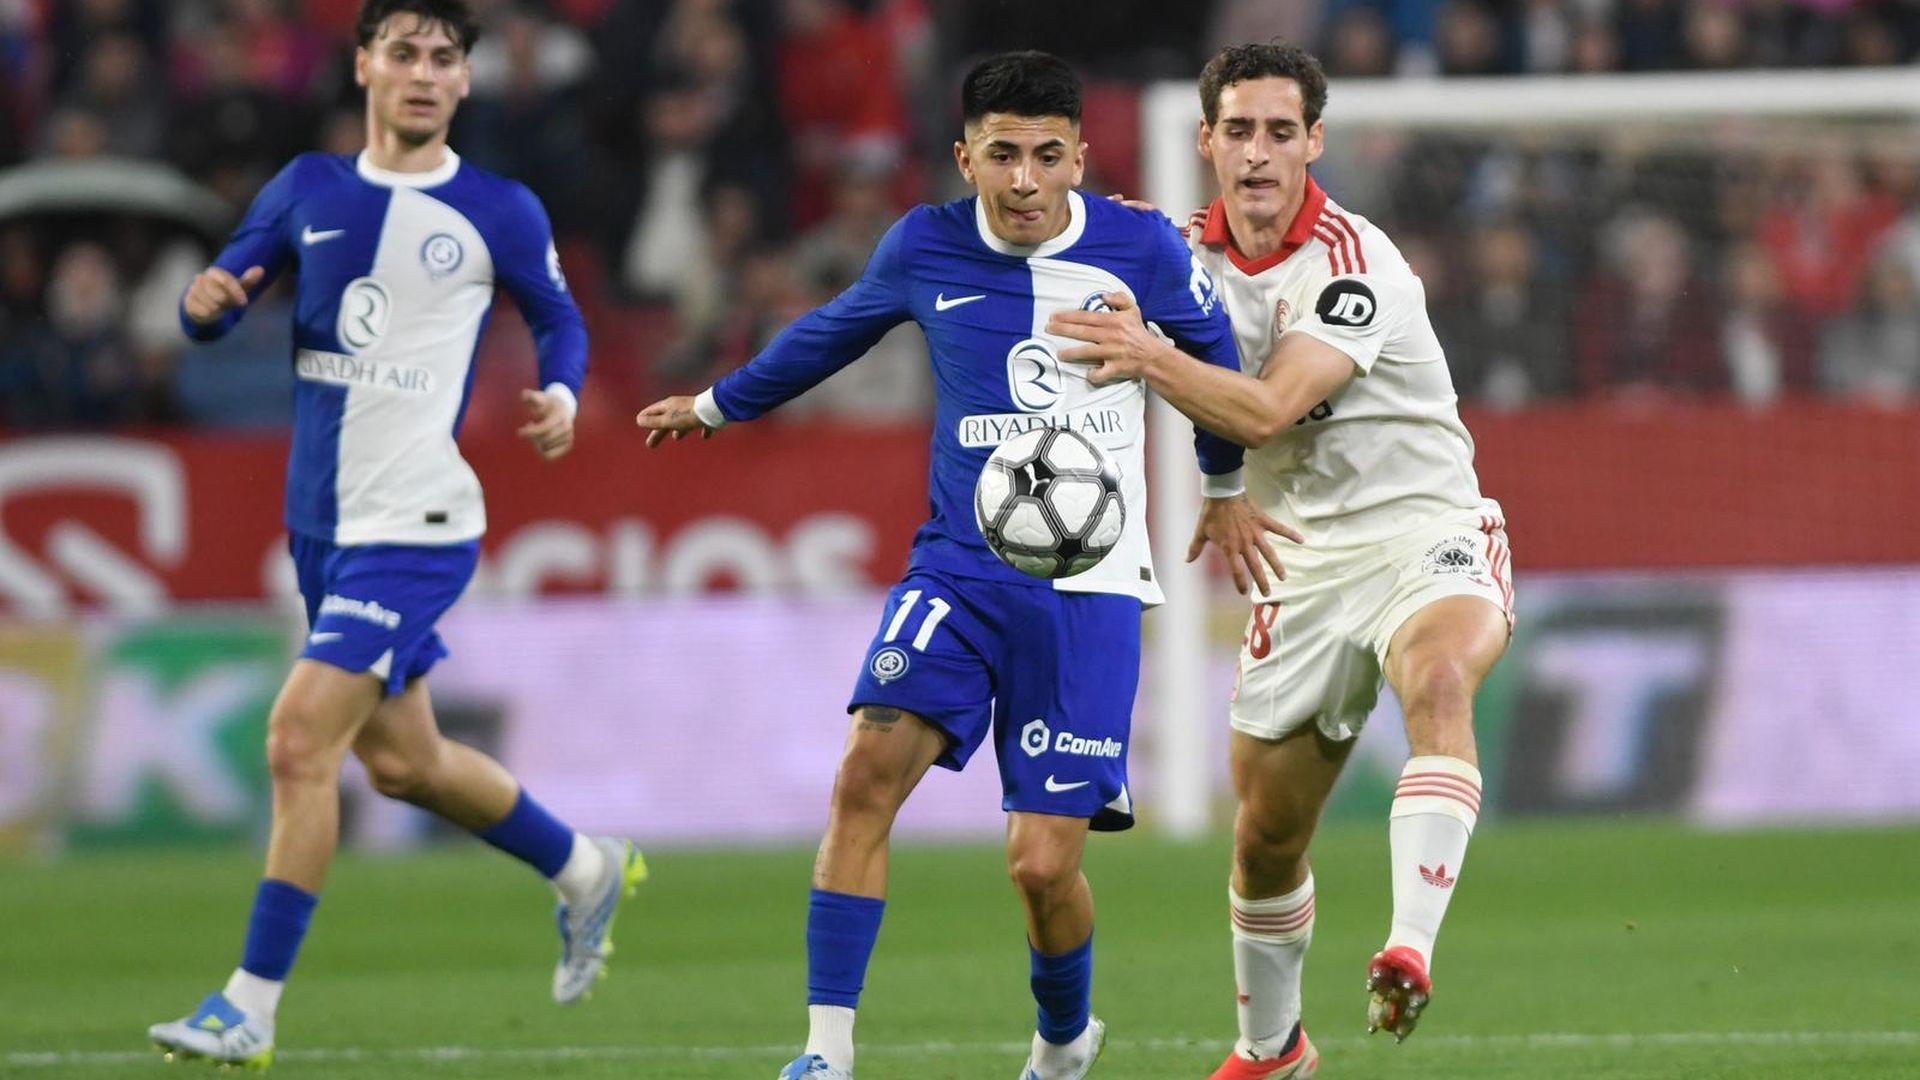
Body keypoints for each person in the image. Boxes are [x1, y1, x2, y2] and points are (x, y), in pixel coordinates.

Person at [637, 51, 1273, 1080]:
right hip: (958, 576)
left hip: (1089, 590)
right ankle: (825, 1054)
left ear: (1079, 159)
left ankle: (1065, 1042)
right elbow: (833, 331)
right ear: (964, 157)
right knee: (863, 776)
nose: (1025, 179)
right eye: (1004, 154)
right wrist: (719, 404)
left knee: (1039, 865)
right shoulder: (923, 245)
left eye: (1047, 155)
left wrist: (1226, 486)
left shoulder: (1143, 249)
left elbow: (1216, 364)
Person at [147, 1, 644, 1067]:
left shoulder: (498, 209)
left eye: (445, 59)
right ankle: (584, 869)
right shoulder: (305, 189)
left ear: (466, 82)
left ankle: (249, 1008)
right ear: (366, 64)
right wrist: (205, 303)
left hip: (415, 520)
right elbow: (219, 296)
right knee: (407, 764)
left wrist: (560, 392)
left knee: (296, 742)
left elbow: (559, 316)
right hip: (322, 527)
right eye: (406, 53)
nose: (425, 73)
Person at [1048, 40, 1514, 1079]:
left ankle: (1409, 947)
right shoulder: (1173, 252)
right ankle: (1273, 1051)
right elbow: (1059, 238)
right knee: (1263, 837)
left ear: (1314, 142)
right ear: (1205, 140)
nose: (1259, 153)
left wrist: (1150, 358)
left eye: (1280, 131)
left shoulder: (1358, 266)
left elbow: (1260, 411)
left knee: (1437, 681)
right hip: (1297, 563)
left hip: (1421, 530)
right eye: (1239, 131)